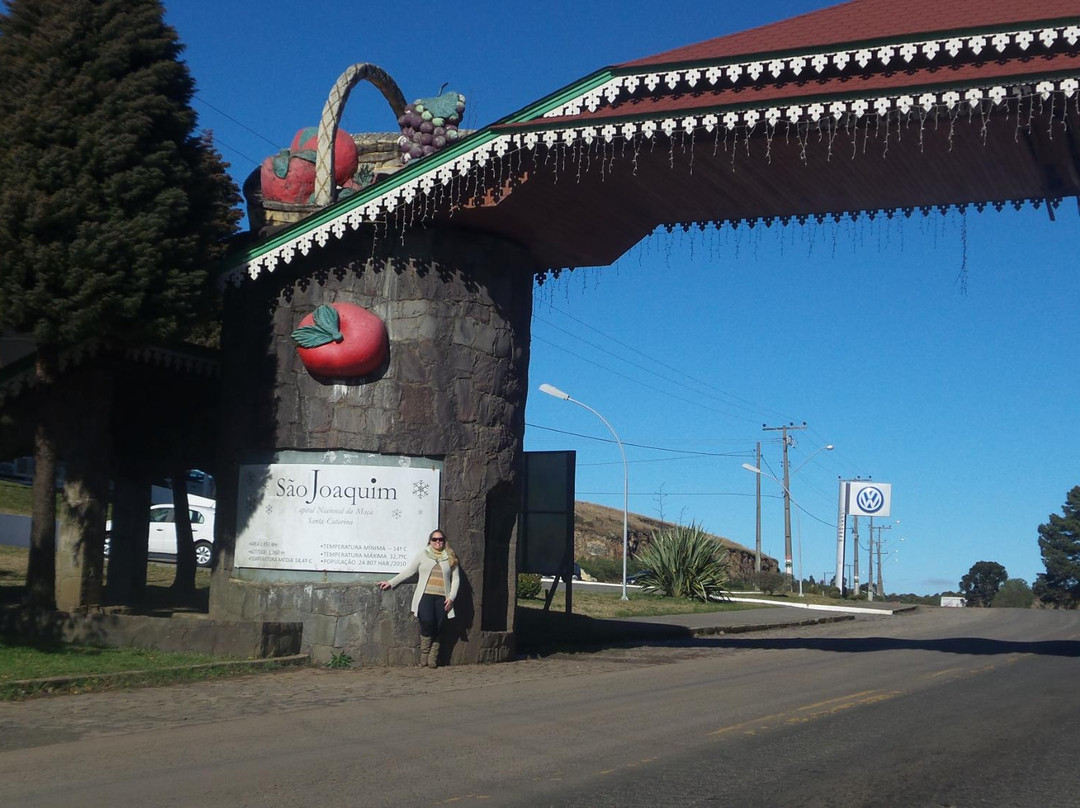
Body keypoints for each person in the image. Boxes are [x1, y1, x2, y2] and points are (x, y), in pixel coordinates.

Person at [378, 529, 460, 667]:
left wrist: (451, 597)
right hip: (425, 595)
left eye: (440, 539)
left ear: (444, 541)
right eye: (434, 539)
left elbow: (456, 579)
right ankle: (425, 653)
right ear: (430, 541)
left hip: (442, 597)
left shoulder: (450, 557)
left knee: (439, 625)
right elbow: (409, 571)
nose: (437, 542)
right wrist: (391, 582)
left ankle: (433, 657)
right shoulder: (423, 555)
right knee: (427, 622)